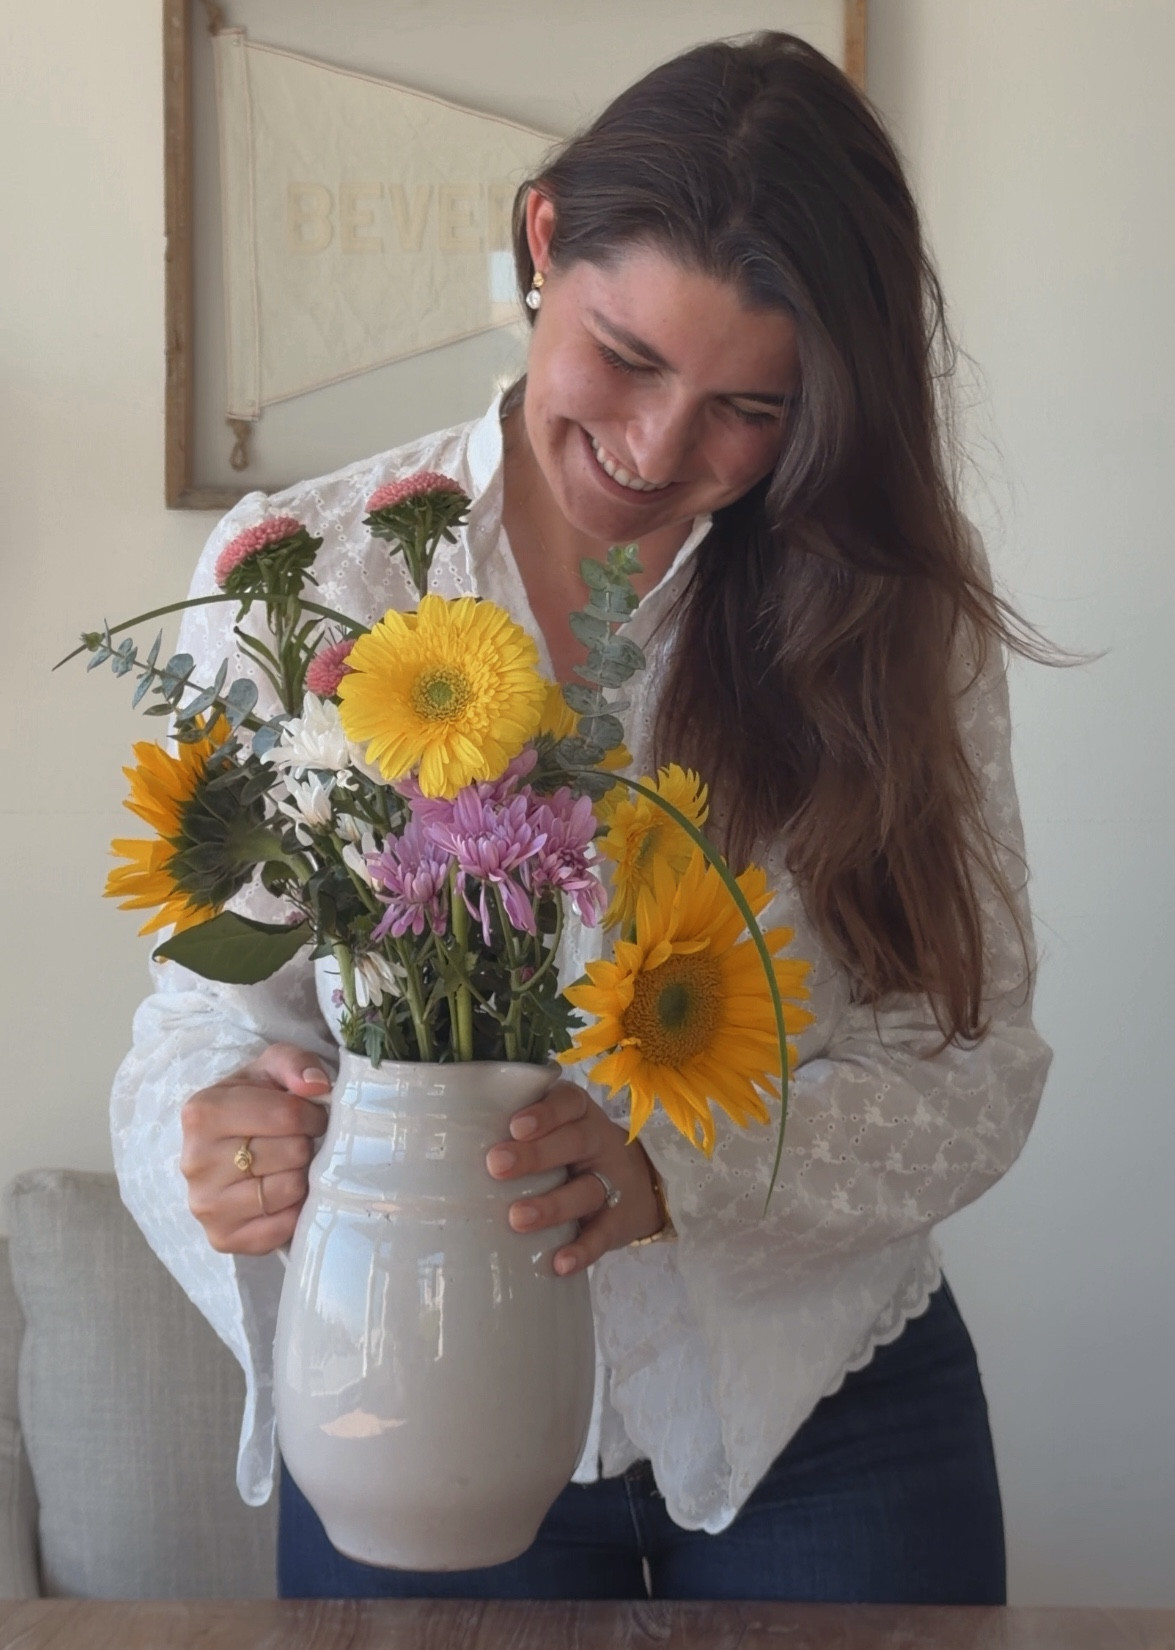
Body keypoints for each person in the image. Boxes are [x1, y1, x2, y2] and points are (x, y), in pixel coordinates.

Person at [111, 32, 1053, 1604]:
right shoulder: (308, 575)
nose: (659, 449)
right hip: (412, 1404)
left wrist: (693, 1166)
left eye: (750, 406)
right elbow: (201, 1026)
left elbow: (975, 1068)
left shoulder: (893, 619)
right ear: (545, 243)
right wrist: (211, 1145)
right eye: (625, 356)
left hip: (818, 1416)